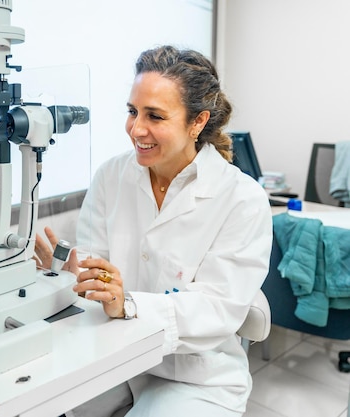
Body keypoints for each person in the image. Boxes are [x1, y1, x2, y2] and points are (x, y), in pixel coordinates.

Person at [35, 45, 273, 416]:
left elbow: (217, 307)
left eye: (155, 116)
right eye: (132, 111)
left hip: (194, 375)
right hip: (114, 358)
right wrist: (70, 270)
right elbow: (98, 264)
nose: (136, 129)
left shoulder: (242, 199)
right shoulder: (112, 175)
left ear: (197, 122)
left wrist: (127, 303)